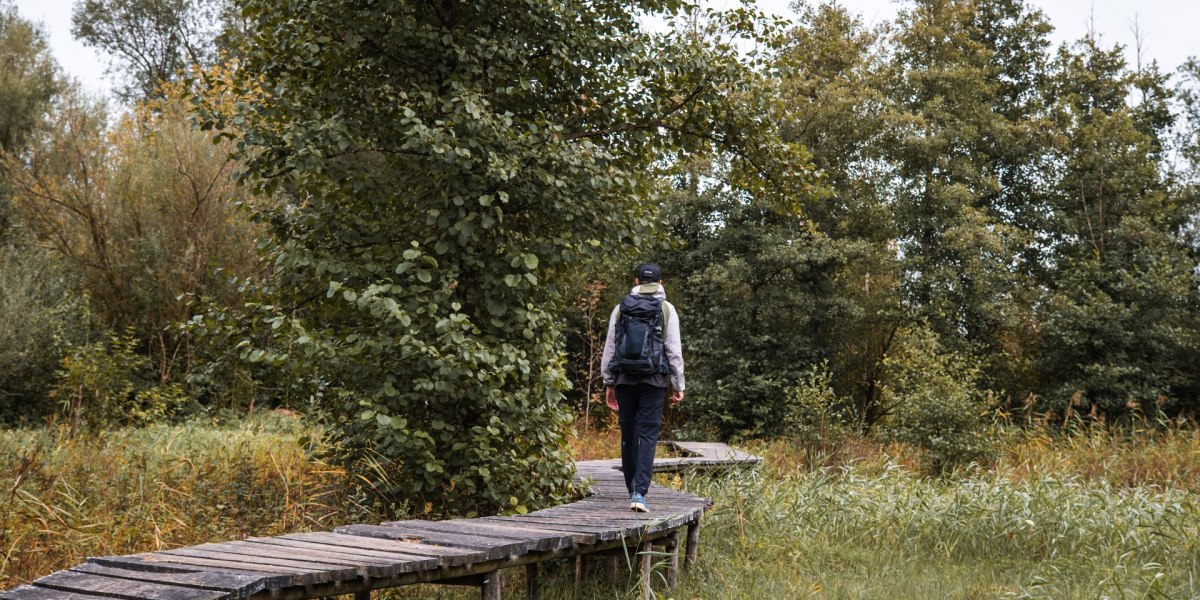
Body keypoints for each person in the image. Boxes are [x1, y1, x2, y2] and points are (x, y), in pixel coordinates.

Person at [600, 263, 685, 512]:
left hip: (625, 379)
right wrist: (678, 384)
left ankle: (631, 489)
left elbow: (610, 348)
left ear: (637, 282)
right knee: (648, 435)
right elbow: (673, 350)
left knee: (629, 435)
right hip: (654, 381)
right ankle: (639, 493)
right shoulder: (667, 309)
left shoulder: (620, 308)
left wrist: (609, 382)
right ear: (660, 283)